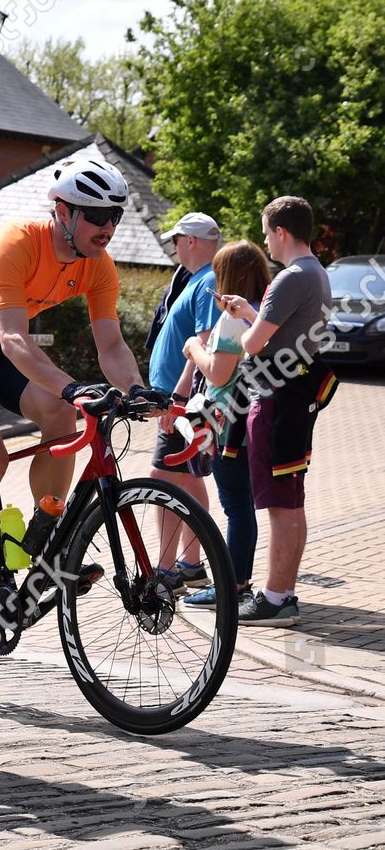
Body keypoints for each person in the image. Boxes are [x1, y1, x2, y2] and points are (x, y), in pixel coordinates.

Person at [0, 156, 157, 628]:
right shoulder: (18, 244)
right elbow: (13, 338)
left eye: (116, 216)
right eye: (96, 215)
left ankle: (43, 537)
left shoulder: (98, 265)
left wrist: (136, 390)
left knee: (61, 418)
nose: (107, 226)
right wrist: (72, 387)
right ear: (63, 212)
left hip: (3, 353)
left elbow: (110, 343)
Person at [216, 196, 335, 627]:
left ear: (281, 232)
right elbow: (282, 332)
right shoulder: (317, 274)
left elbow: (252, 345)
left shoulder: (289, 279)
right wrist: (251, 312)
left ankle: (274, 599)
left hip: (274, 397)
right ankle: (282, 592)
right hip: (296, 393)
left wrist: (247, 323)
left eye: (267, 232)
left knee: (279, 505)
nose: (266, 241)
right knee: (292, 499)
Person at [181, 239, 271, 610]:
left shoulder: (233, 319)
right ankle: (239, 583)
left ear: (228, 277)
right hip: (247, 419)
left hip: (226, 425)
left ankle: (232, 588)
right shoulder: (260, 313)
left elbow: (218, 373)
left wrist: (193, 348)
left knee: (236, 506)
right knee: (242, 504)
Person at [147, 212, 224, 588]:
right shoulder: (199, 279)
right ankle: (191, 565)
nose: (174, 247)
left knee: (161, 478)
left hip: (184, 401)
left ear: (190, 241)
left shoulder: (208, 280)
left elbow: (205, 346)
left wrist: (177, 398)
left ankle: (166, 570)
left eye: (176, 240)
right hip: (181, 400)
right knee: (189, 480)